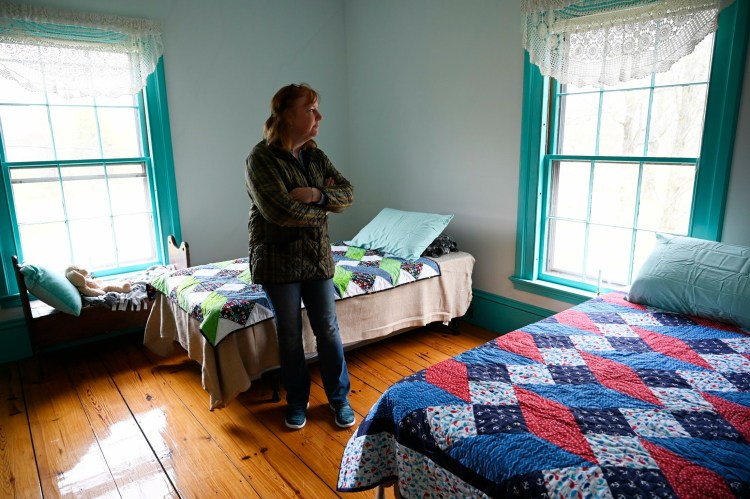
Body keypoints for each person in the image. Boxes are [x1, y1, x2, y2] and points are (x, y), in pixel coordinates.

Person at [245, 83, 355, 430]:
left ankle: (339, 398)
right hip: (277, 261)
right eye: (311, 109)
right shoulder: (260, 159)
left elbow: (347, 193)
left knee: (328, 328)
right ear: (287, 115)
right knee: (289, 333)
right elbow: (278, 211)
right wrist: (324, 209)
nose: (319, 116)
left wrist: (313, 195)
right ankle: (297, 401)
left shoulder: (316, 157)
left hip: (317, 259)